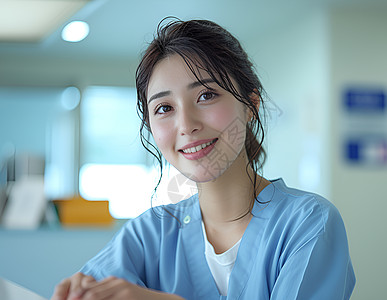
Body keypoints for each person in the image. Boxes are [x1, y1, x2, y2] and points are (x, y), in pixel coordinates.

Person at [51, 18, 356, 300]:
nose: (186, 125)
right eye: (164, 108)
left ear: (250, 106)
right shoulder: (149, 236)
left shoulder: (308, 223)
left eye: (206, 95)